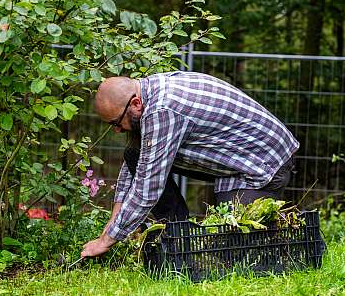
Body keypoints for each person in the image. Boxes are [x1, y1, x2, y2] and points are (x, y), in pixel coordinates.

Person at [81, 71, 299, 258]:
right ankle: (179, 235)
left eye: (116, 123)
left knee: (231, 254)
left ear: (135, 104)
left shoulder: (162, 111)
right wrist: (111, 226)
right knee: (134, 153)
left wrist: (106, 241)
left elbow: (147, 188)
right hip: (233, 163)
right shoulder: (148, 91)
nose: (117, 130)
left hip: (263, 163)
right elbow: (136, 163)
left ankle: (286, 248)